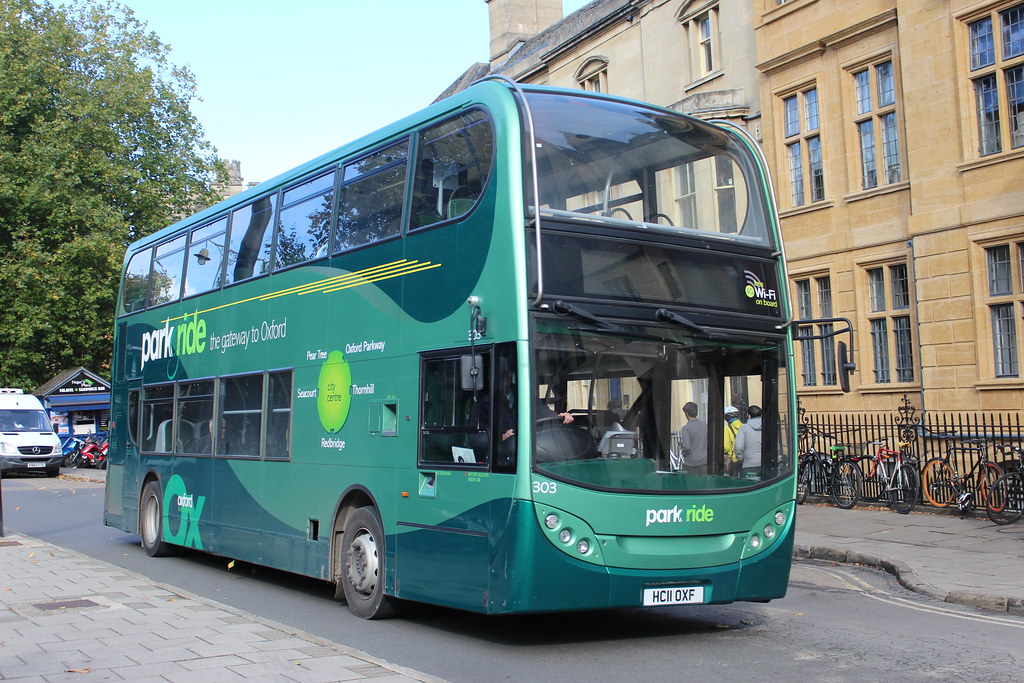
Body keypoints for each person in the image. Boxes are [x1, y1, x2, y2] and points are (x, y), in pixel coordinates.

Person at [675, 401, 707, 473]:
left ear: (686, 414)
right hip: (705, 462)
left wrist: (683, 453)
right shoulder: (705, 426)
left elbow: (687, 447)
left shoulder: (686, 428)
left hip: (691, 464)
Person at [734, 405, 763, 479]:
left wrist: (741, 459)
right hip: (766, 466)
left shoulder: (744, 428)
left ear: (749, 416)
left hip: (749, 466)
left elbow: (738, 447)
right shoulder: (768, 427)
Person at [723, 406, 743, 476]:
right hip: (745, 459)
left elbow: (726, 446)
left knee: (734, 481)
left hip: (734, 460)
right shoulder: (744, 426)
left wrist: (729, 453)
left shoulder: (727, 429)